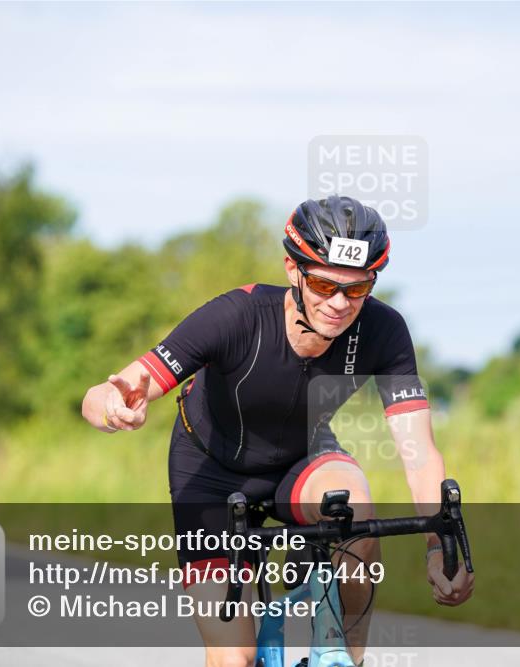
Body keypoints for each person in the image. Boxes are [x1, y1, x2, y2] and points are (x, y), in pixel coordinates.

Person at [81, 195, 473, 667]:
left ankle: (347, 657)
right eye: (324, 283)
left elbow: (419, 453)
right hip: (211, 472)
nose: (338, 303)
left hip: (300, 459)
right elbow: (107, 392)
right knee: (235, 658)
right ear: (293, 269)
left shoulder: (384, 331)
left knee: (356, 514)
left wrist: (437, 545)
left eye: (356, 289)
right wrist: (111, 406)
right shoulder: (237, 315)